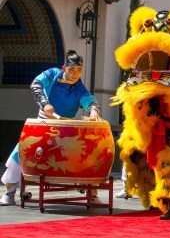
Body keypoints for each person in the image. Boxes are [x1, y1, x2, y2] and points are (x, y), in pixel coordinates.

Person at [0, 50, 102, 206]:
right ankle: (9, 192)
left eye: (79, 70)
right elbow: (36, 84)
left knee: (88, 154)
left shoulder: (79, 87)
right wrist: (45, 103)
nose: (75, 74)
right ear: (64, 68)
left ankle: (92, 193)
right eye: (72, 69)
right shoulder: (53, 74)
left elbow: (90, 101)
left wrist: (94, 110)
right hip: (44, 124)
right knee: (20, 152)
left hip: (66, 130)